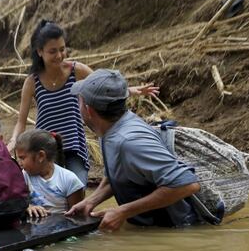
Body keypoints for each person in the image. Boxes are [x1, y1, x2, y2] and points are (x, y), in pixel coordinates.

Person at [7, 20, 159, 185]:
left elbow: (104, 87)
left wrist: (130, 90)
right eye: (52, 51)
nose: (59, 55)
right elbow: (21, 122)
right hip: (46, 150)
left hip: (74, 145)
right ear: (40, 52)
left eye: (62, 49)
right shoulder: (32, 82)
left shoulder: (76, 70)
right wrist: (13, 142)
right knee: (51, 196)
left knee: (77, 188)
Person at [65, 69, 201, 231]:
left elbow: (187, 184)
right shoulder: (108, 129)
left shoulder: (129, 142)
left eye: (79, 101)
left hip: (173, 230)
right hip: (150, 227)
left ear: (89, 110)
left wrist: (122, 211)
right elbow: (121, 173)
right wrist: (91, 201)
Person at [15, 129, 85, 219]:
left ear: (41, 156)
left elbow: (78, 217)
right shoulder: (24, 176)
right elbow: (17, 203)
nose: (19, 162)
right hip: (34, 230)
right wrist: (28, 207)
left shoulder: (69, 180)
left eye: (22, 158)